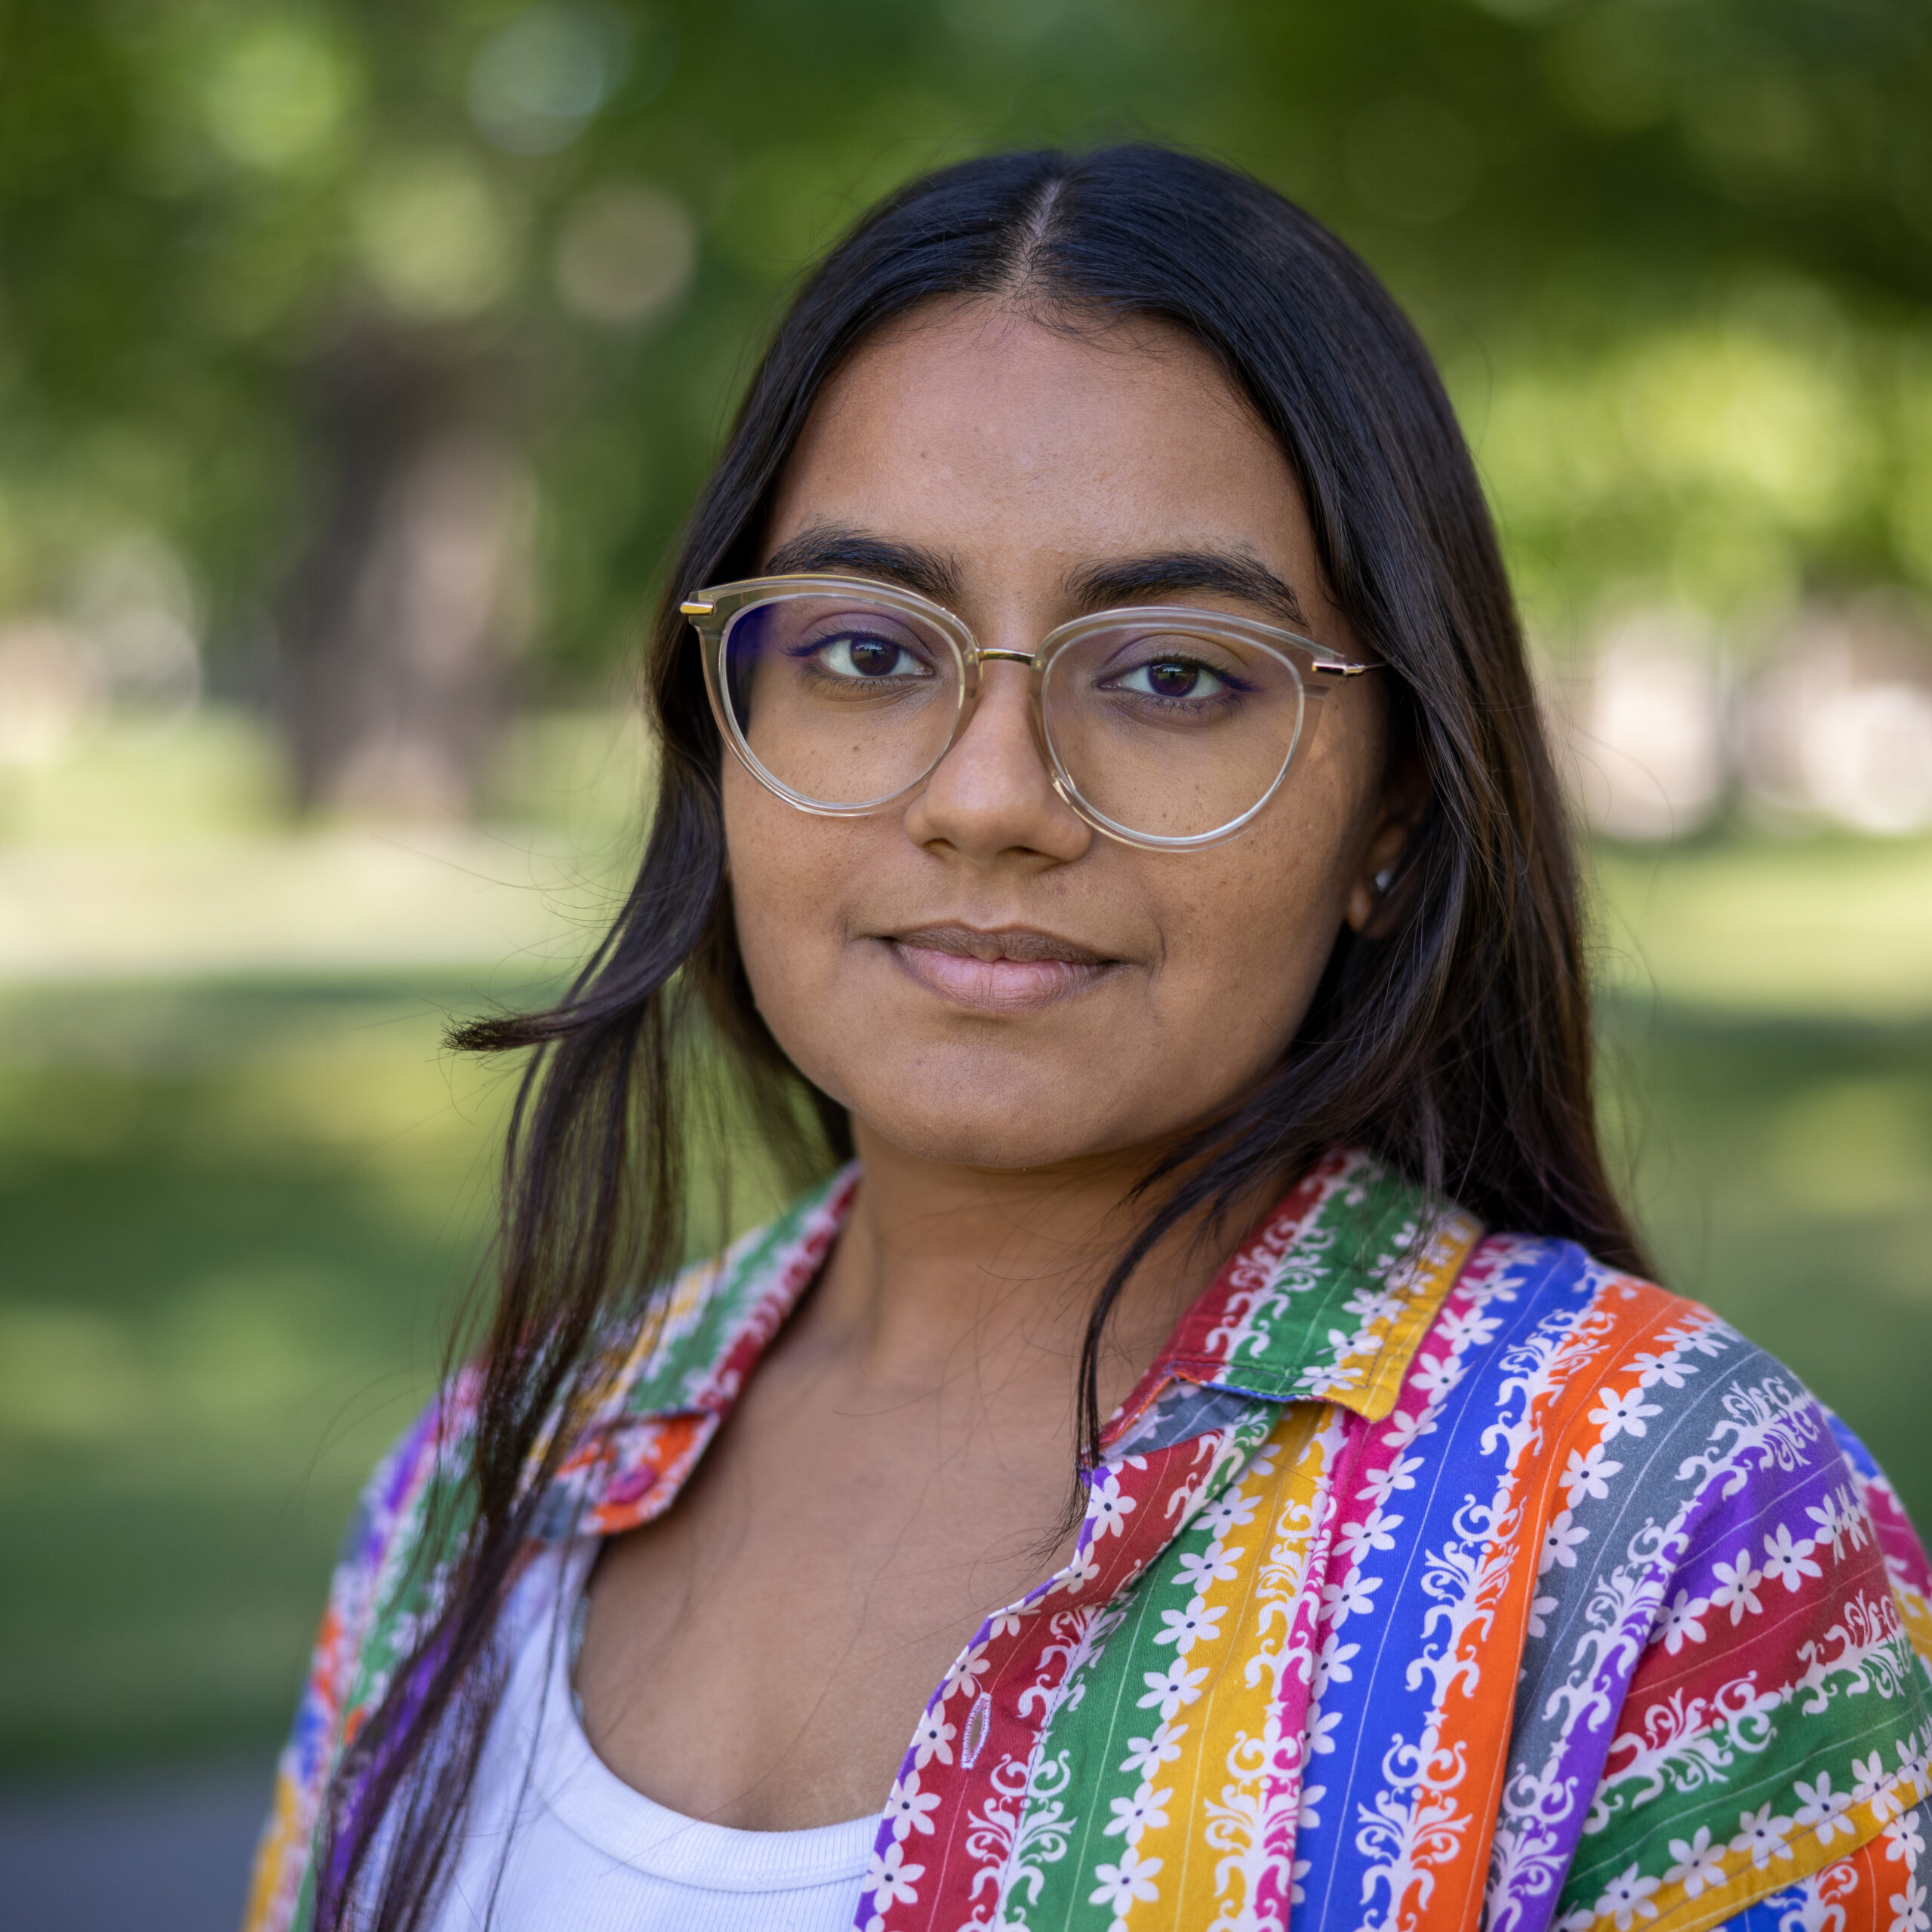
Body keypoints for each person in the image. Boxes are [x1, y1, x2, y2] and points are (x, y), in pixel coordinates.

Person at [244, 146, 1932, 1932]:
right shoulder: (490, 1475)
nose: (990, 801)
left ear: (1391, 810)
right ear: (722, 727)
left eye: (1173, 674)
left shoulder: (1668, 1536)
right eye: (865, 648)